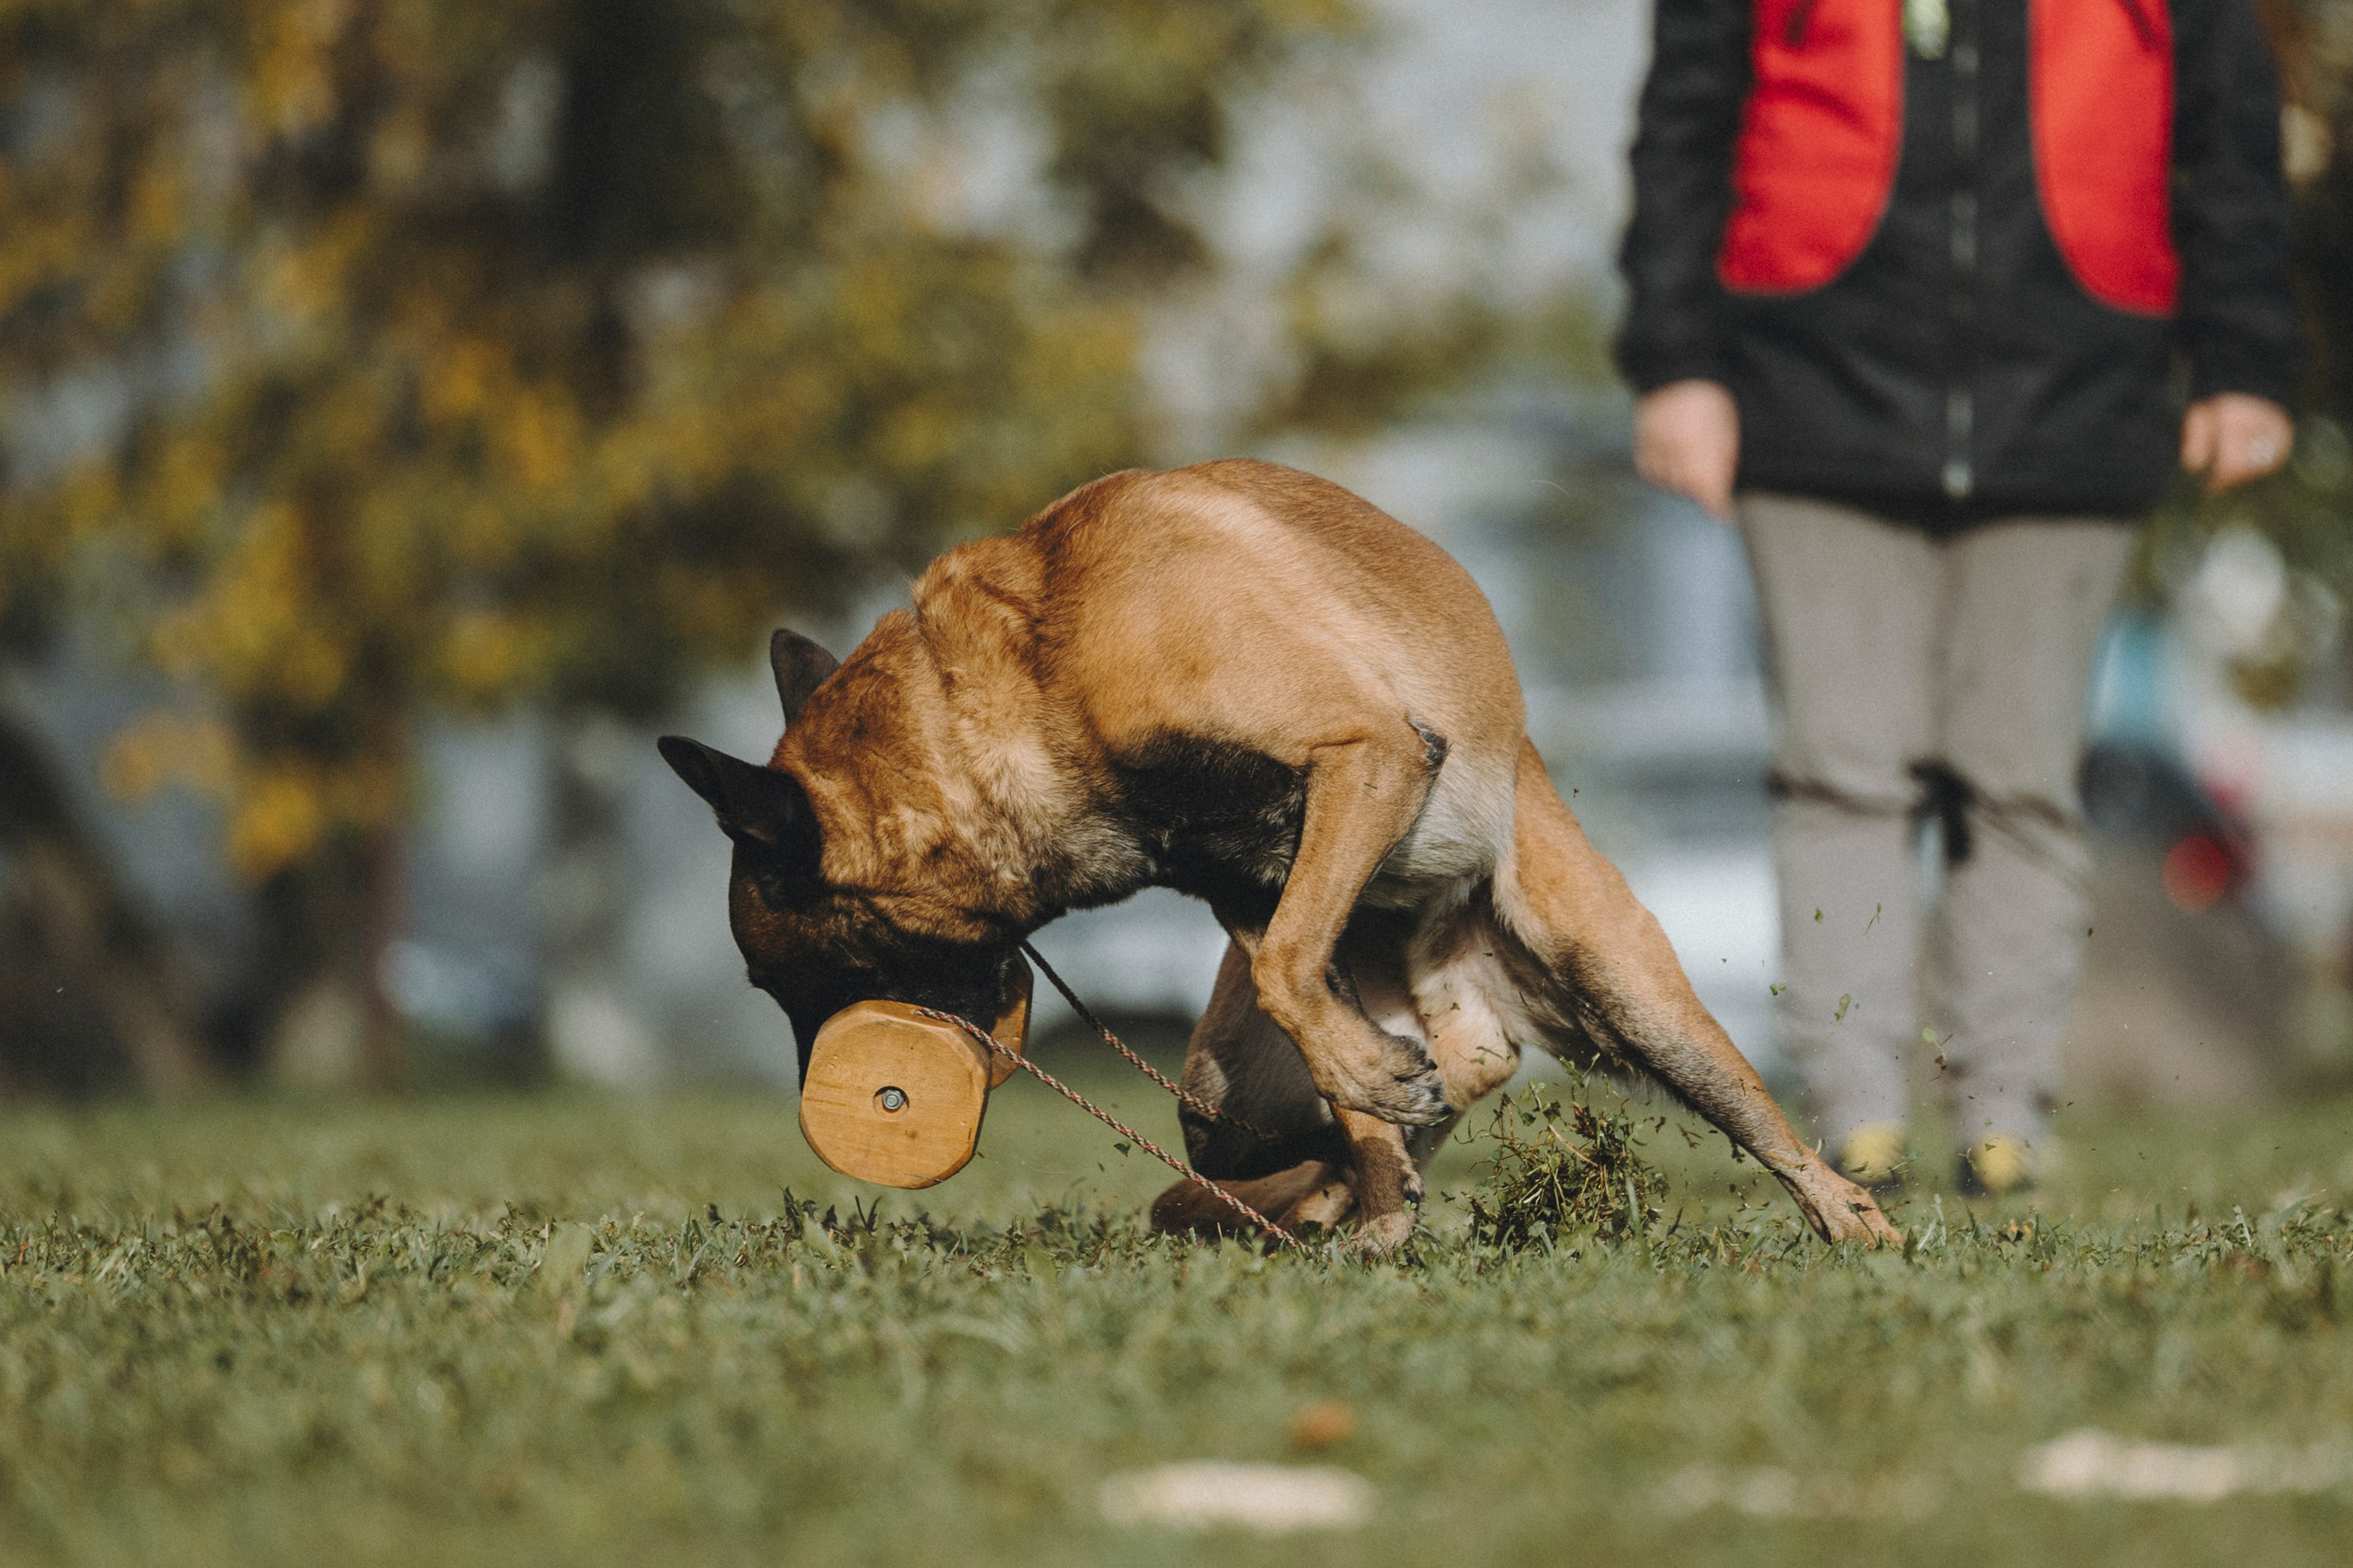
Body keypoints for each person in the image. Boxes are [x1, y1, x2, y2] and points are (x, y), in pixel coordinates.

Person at [1615, 0, 2302, 1192]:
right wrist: (1677, 364)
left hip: (2075, 410)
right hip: (1809, 405)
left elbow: (2226, 141)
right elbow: (1685, 130)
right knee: (1841, 771)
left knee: (2022, 781)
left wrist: (2244, 361)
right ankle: (1856, 1117)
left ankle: (2004, 1120)